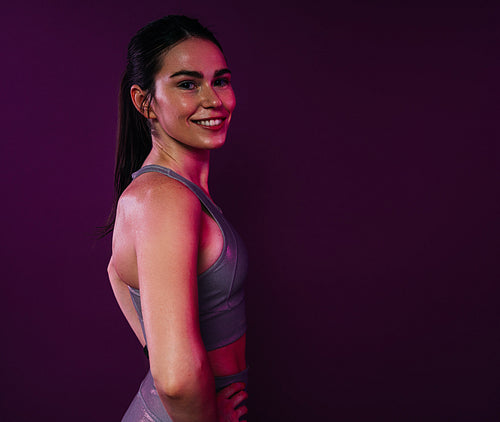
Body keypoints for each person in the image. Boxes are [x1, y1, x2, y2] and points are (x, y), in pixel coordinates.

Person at [104, 16, 249, 422]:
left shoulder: (167, 194)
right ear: (145, 102)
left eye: (220, 80)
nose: (214, 99)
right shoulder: (163, 199)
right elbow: (175, 382)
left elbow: (116, 273)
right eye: (188, 84)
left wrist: (158, 351)